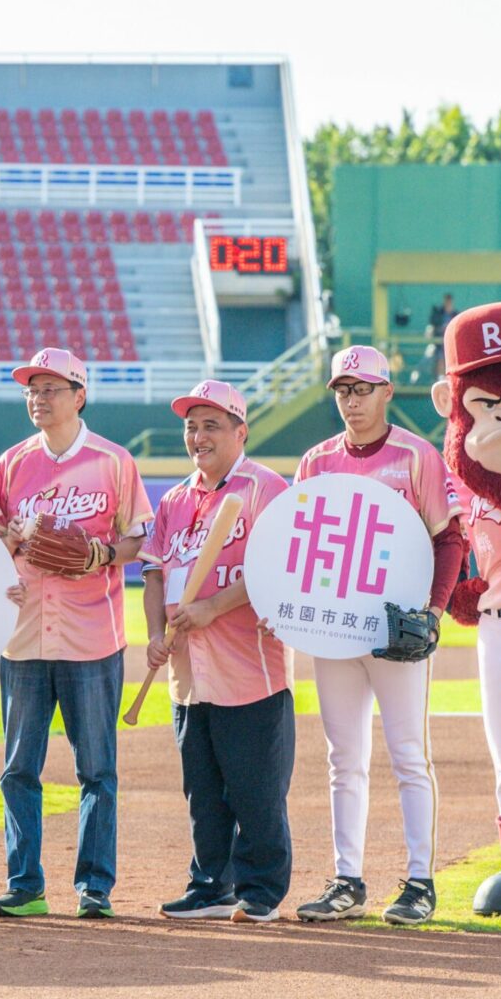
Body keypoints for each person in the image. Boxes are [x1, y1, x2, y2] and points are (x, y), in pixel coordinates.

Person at [292, 346, 467, 926]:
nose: (352, 400)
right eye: (343, 389)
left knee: (408, 755)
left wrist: (433, 612)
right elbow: (297, 545)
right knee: (343, 758)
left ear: (387, 392)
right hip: (334, 630)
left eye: (363, 389)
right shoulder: (316, 461)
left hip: (397, 629)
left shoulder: (416, 456)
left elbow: (449, 538)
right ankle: (347, 880)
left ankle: (420, 883)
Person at [0, 347, 153, 920]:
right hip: (23, 635)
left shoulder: (113, 461)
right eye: (31, 390)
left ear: (79, 396)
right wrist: (9, 539)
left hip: (92, 636)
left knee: (96, 769)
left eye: (50, 389)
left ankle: (94, 886)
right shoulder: (11, 464)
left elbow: (139, 538)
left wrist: (101, 554)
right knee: (18, 769)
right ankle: (25, 884)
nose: (38, 398)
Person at [142, 380, 295, 923]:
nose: (198, 436)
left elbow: (276, 567)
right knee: (203, 790)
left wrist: (213, 607)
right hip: (187, 673)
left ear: (240, 431)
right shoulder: (175, 500)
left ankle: (261, 890)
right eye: (191, 427)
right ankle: (210, 885)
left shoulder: (266, 489)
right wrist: (155, 632)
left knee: (255, 789)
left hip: (249, 668)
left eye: (211, 425)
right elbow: (154, 573)